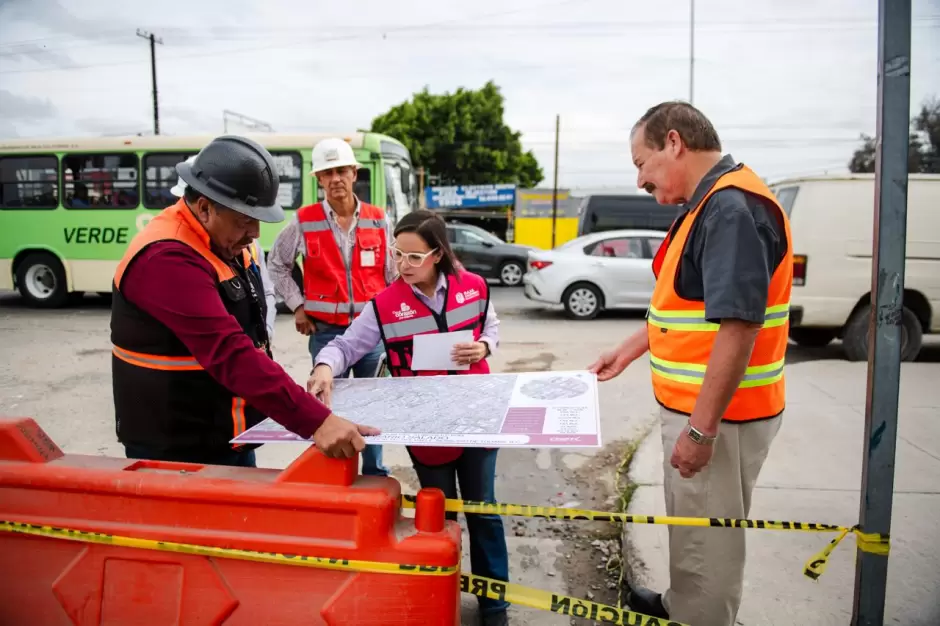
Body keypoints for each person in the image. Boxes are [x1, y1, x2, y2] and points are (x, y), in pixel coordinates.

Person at [589, 102, 793, 626]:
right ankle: (684, 605)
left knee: (707, 549)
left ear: (674, 142)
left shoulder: (729, 208)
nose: (639, 180)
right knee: (694, 532)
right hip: (709, 412)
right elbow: (691, 310)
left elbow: (738, 326)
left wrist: (701, 432)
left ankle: (697, 616)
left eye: (642, 162)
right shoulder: (709, 203)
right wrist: (632, 347)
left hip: (719, 419)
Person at [111, 135, 379, 467]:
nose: (255, 232)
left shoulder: (228, 238)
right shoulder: (167, 257)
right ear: (205, 208)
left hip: (229, 436)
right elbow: (230, 351)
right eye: (245, 220)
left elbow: (254, 324)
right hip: (176, 448)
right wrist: (317, 421)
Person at [307, 210, 509, 626]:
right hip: (427, 428)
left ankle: (495, 606)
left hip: (476, 417)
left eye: (414, 257)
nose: (403, 265)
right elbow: (345, 346)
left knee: (484, 513)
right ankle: (444, 595)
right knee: (441, 517)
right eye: (398, 254)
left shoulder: (474, 288)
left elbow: (492, 327)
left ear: (438, 254)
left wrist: (484, 347)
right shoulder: (384, 305)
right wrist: (325, 366)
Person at [268, 137, 393, 477]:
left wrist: (392, 321)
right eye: (327, 173)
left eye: (341, 171)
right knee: (327, 406)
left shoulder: (379, 220)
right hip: (324, 333)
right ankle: (335, 473)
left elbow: (393, 276)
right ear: (318, 180)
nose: (335, 178)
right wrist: (297, 305)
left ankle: (375, 473)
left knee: (373, 405)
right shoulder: (303, 221)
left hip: (370, 335)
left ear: (355, 173)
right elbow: (277, 265)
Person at [171, 156, 277, 340]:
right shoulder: (176, 256)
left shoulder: (247, 245)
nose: (255, 232)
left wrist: (264, 333)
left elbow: (266, 292)